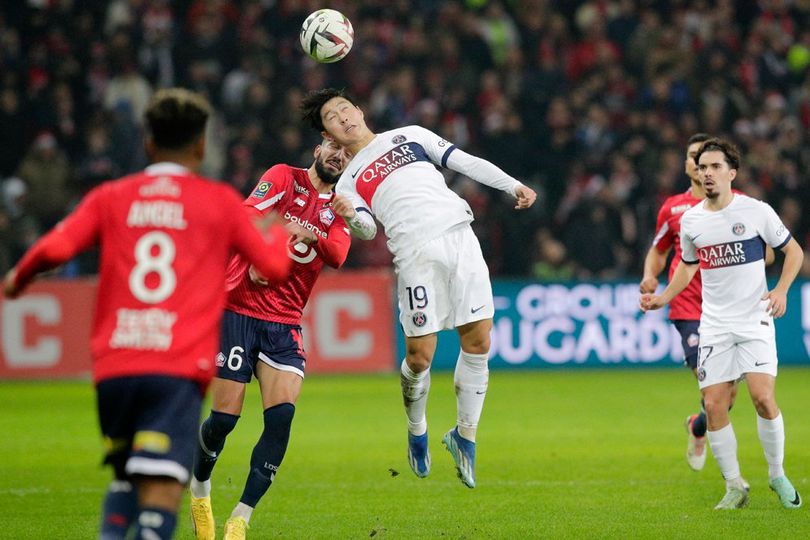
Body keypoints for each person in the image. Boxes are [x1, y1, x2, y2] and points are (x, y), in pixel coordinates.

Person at [2, 88, 292, 540]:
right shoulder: (216, 202)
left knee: (124, 478)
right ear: (200, 145)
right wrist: (275, 233)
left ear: (148, 143)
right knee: (159, 492)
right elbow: (274, 266)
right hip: (173, 368)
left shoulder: (112, 196)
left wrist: (17, 279)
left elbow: (55, 248)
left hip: (115, 367)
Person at [300, 88, 537, 488]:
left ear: (359, 110)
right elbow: (367, 228)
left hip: (461, 237)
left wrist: (513, 185)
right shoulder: (348, 183)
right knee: (420, 356)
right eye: (331, 117)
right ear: (328, 136)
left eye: (345, 108)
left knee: (479, 342)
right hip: (414, 253)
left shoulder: (410, 135)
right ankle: (417, 428)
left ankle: (464, 435)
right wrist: (349, 216)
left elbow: (464, 162)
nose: (342, 117)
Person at [188, 139, 352, 540]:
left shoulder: (343, 207)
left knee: (281, 418)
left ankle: (240, 518)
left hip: (284, 321)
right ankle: (200, 489)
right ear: (318, 147)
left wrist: (310, 235)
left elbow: (339, 255)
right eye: (334, 145)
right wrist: (277, 236)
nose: (339, 154)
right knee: (223, 421)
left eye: (348, 152)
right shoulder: (283, 177)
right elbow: (244, 216)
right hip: (238, 310)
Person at [640, 137, 804, 510]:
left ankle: (776, 474)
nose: (707, 173)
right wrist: (663, 297)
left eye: (715, 167)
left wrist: (781, 290)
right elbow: (686, 265)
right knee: (714, 406)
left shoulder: (756, 211)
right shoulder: (692, 220)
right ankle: (734, 486)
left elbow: (792, 251)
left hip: (754, 321)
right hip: (714, 325)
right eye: (702, 167)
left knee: (763, 399)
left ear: (732, 173)